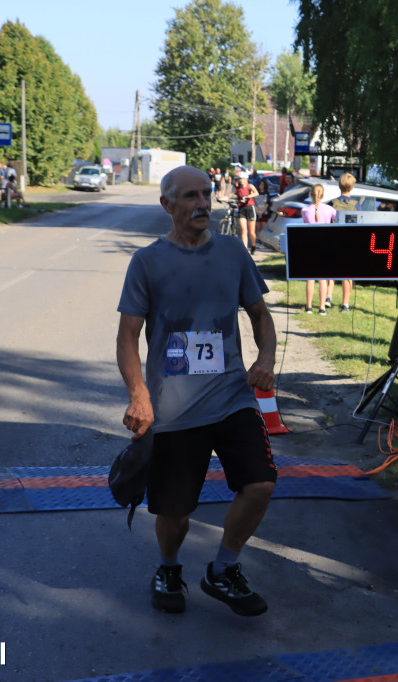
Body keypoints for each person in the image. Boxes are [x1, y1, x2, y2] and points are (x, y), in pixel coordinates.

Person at [116, 165, 278, 618]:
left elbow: (261, 316)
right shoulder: (147, 262)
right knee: (175, 513)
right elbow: (127, 336)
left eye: (206, 194)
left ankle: (223, 569)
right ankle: (168, 567)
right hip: (173, 408)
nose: (202, 204)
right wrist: (138, 395)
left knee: (261, 483)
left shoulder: (232, 252)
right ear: (167, 205)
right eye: (190, 196)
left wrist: (263, 360)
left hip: (232, 396)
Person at [301, 183, 337, 314]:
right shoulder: (329, 209)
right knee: (323, 279)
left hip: (310, 246)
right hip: (325, 246)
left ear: (311, 195)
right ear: (323, 195)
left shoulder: (305, 210)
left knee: (310, 278)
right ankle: (322, 308)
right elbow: (337, 219)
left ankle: (309, 306)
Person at [327, 173, 359, 312]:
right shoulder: (356, 205)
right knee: (347, 275)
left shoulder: (332, 203)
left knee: (331, 272)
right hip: (350, 242)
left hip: (333, 240)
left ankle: (328, 296)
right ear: (352, 187)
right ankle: (345, 303)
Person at [234, 171, 259, 254]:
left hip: (250, 208)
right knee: (244, 230)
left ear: (246, 179)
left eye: (242, 179)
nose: (240, 180)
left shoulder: (250, 186)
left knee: (251, 232)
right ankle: (244, 250)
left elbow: (256, 193)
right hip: (241, 209)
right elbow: (230, 194)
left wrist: (248, 196)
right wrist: (223, 198)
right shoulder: (237, 188)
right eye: (239, 179)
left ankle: (253, 245)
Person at [253, 178, 272, 248]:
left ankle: (263, 242)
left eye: (263, 184)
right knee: (258, 228)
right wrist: (258, 212)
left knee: (263, 228)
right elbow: (254, 203)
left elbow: (267, 204)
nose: (262, 186)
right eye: (260, 184)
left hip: (265, 213)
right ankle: (258, 240)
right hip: (257, 212)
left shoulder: (267, 193)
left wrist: (261, 212)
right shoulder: (256, 193)